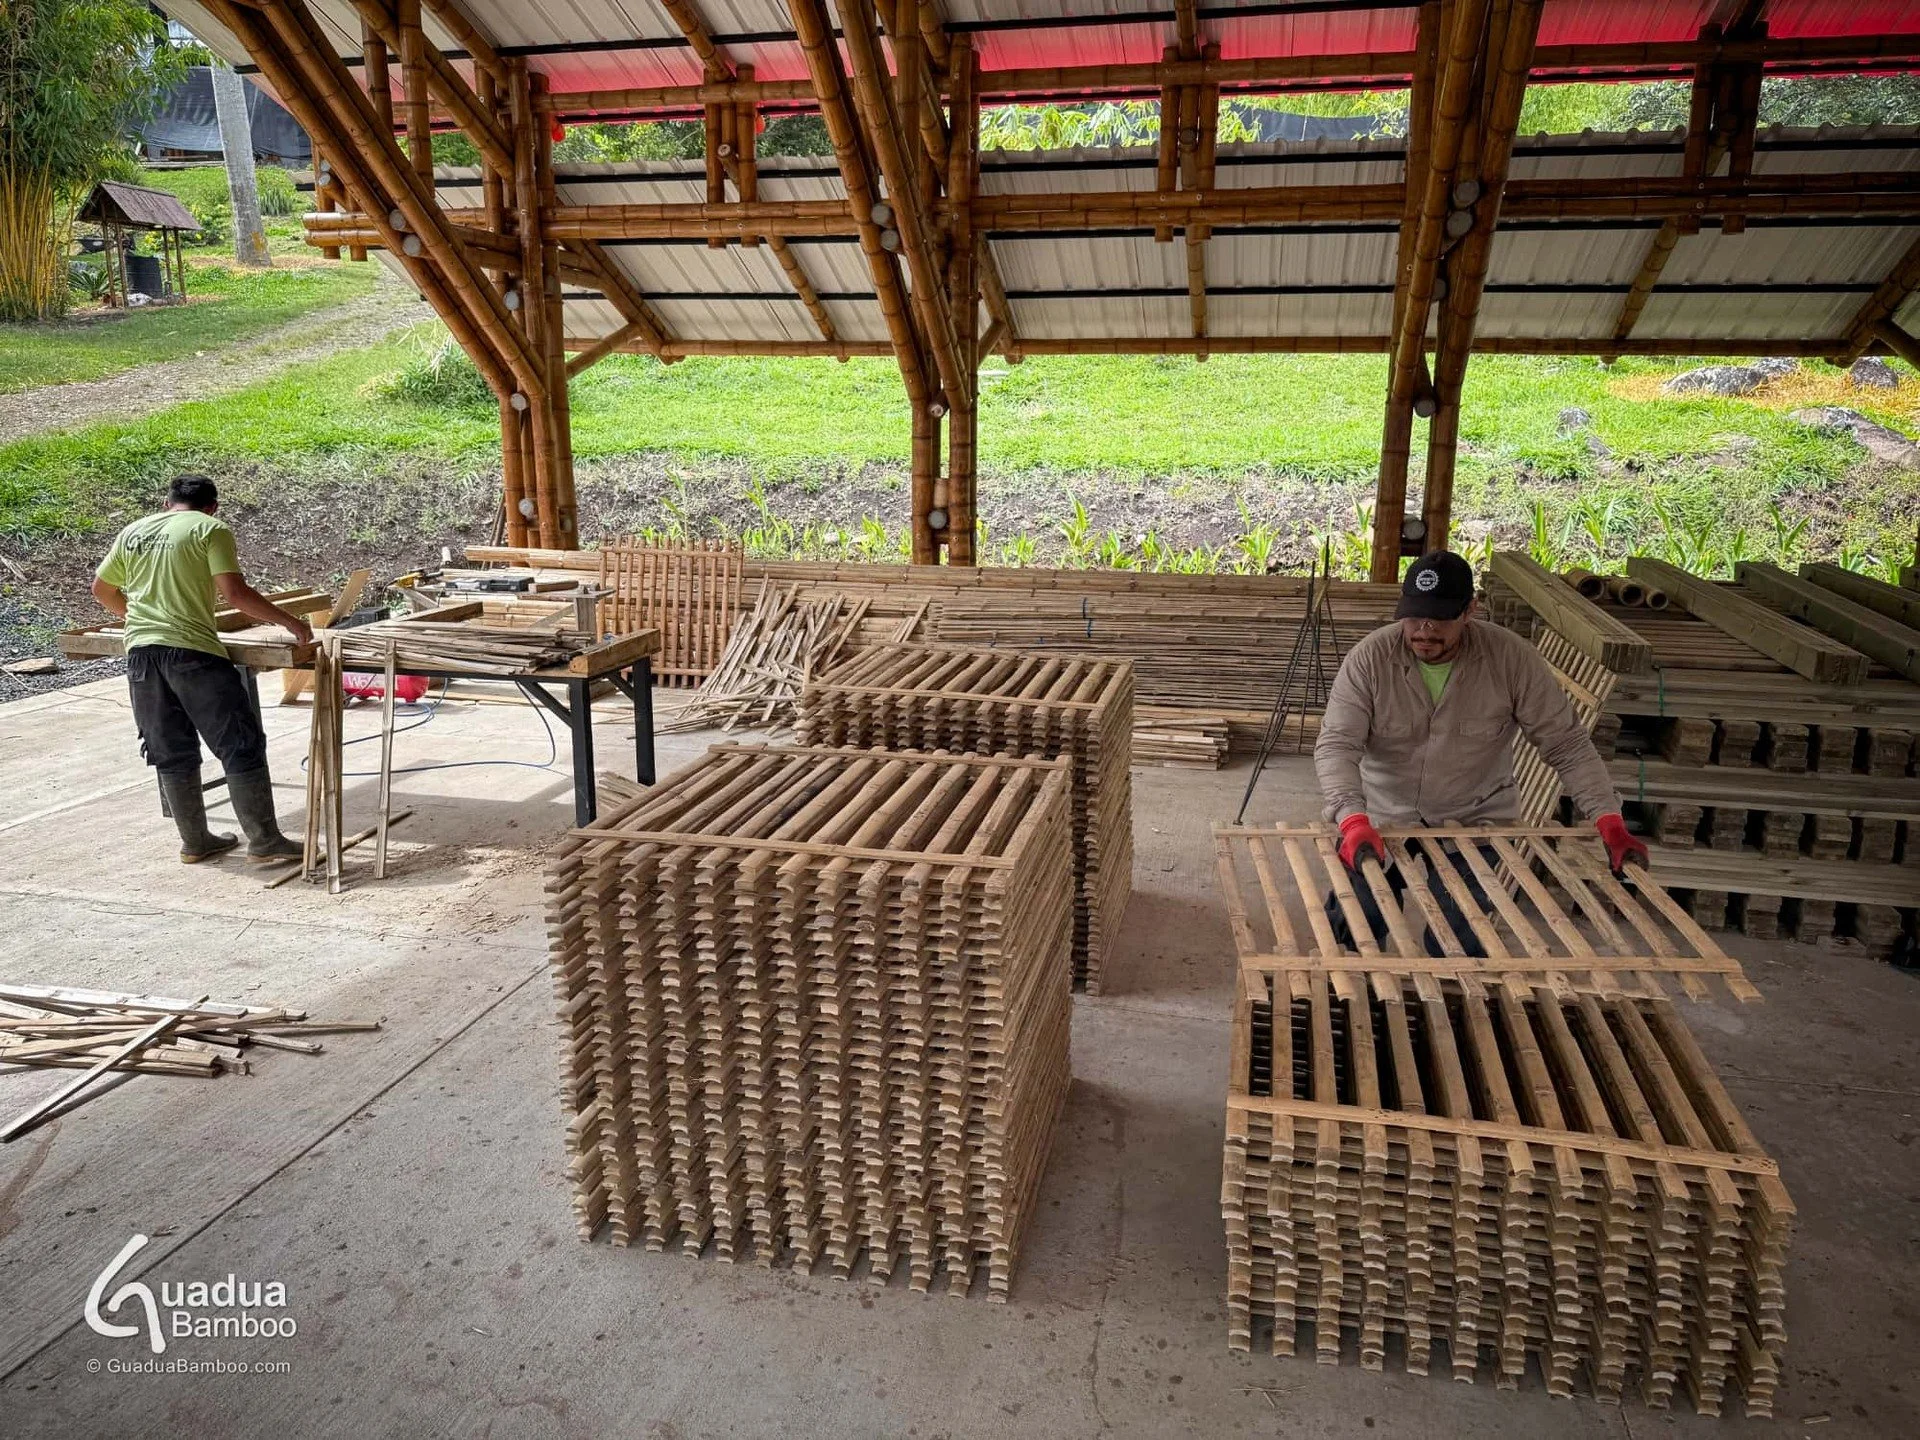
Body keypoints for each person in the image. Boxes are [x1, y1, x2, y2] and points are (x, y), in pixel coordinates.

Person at [1313, 549, 1648, 954]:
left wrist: (1608, 819)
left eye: (1440, 618)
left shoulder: (1512, 660)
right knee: (1356, 922)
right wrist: (1351, 817)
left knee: (1461, 935)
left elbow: (1568, 745)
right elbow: (1337, 745)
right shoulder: (1370, 659)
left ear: (1470, 610)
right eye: (1415, 616)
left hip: (1474, 814)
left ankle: (1452, 1004)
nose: (1424, 629)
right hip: (1383, 811)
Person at [92, 475, 313, 864]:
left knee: (170, 750)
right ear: (212, 506)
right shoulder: (210, 528)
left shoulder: (133, 531)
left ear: (167, 502)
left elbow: (102, 590)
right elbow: (235, 593)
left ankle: (195, 842)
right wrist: (292, 624)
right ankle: (264, 841)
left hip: (142, 655)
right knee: (239, 744)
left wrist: (139, 619)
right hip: (191, 652)